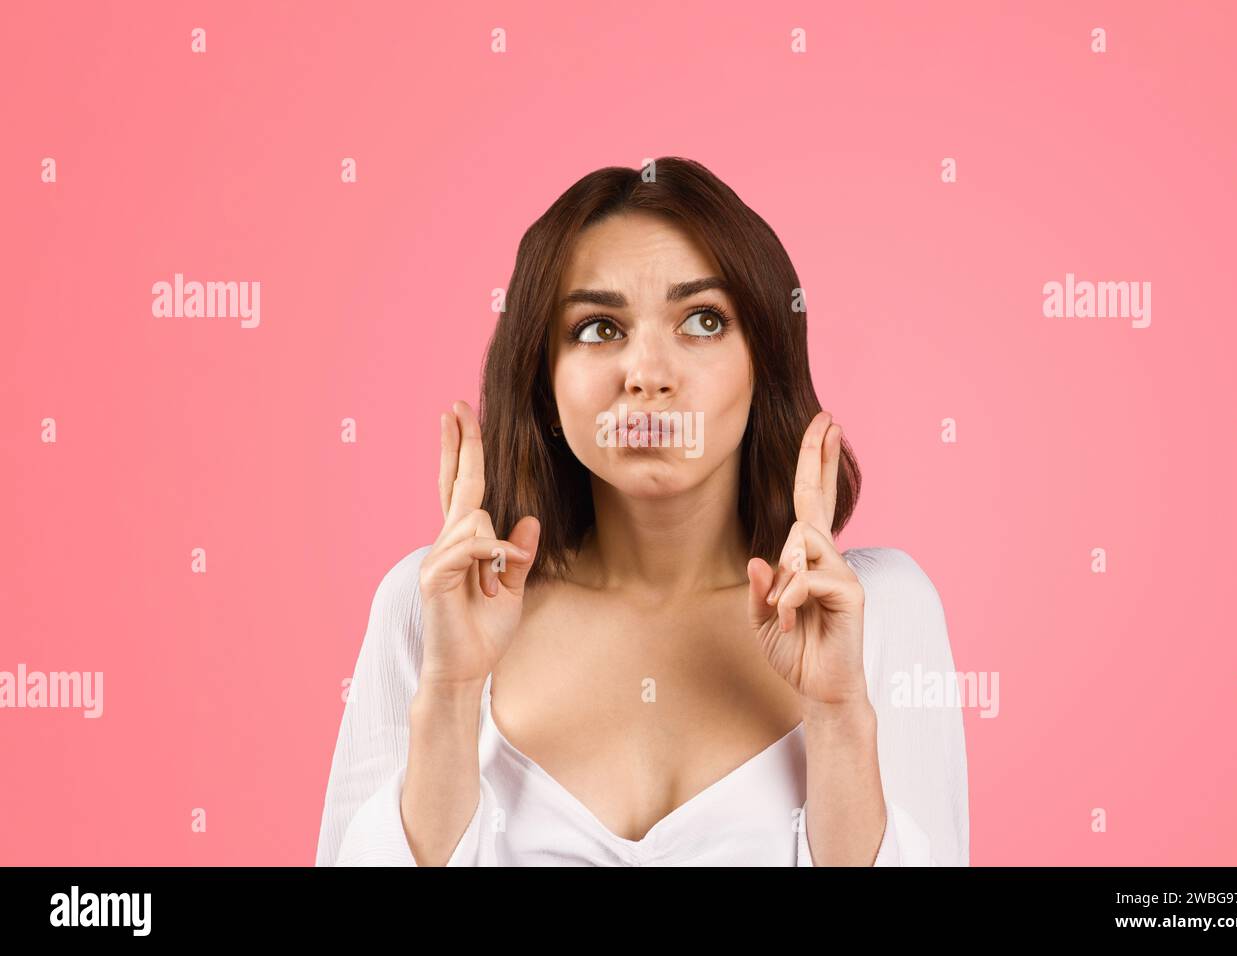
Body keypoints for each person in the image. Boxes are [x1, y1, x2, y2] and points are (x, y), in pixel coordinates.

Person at [315, 157, 969, 866]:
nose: (648, 374)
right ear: (544, 380)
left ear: (763, 361)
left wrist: (839, 715)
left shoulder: (876, 609)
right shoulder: (434, 603)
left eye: (704, 320)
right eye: (599, 329)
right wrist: (450, 692)